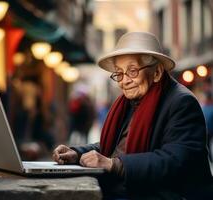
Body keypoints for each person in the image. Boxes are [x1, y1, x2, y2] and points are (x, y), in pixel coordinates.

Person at [52, 32, 212, 199]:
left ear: (157, 72)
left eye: (132, 71)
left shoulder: (182, 102)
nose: (124, 81)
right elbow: (116, 147)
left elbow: (174, 161)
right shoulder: (132, 102)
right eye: (119, 73)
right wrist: (76, 153)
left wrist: (113, 164)